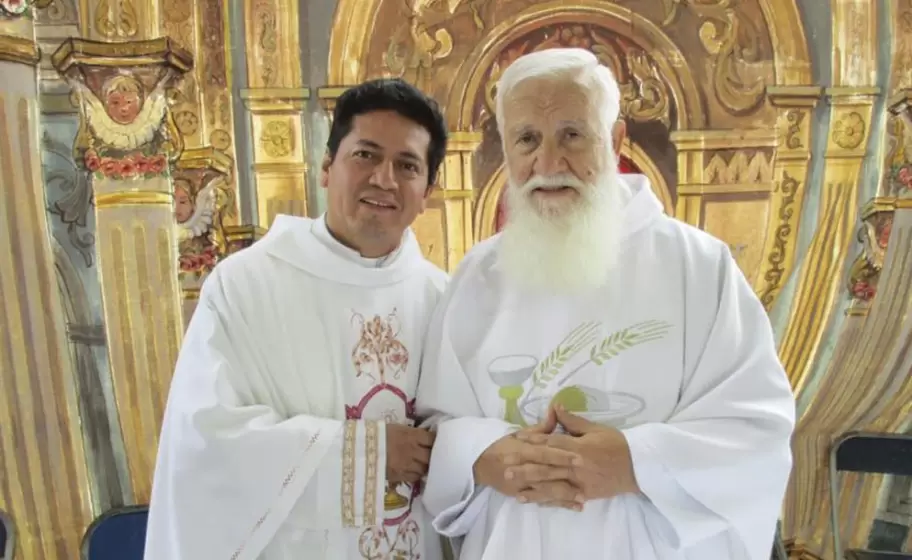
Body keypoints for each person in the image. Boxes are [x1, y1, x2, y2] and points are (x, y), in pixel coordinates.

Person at [416, 48, 796, 560]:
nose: (548, 163)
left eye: (572, 134)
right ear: (504, 150)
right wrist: (486, 456)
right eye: (527, 139)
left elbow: (755, 430)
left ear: (615, 140)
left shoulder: (699, 266)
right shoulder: (477, 277)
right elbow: (438, 424)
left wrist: (635, 464)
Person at [144, 78, 449, 560]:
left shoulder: (443, 299)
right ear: (327, 167)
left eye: (407, 165)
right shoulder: (245, 286)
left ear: (428, 189)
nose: (384, 179)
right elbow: (205, 444)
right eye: (365, 155)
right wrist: (367, 456)